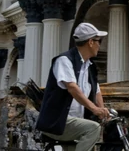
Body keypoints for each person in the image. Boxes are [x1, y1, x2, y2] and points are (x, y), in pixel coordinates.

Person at [36, 22, 110, 151]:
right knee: (93, 128)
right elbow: (72, 88)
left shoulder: (90, 66)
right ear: (91, 42)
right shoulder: (65, 60)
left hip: (75, 122)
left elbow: (96, 91)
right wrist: (94, 109)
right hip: (58, 120)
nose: (100, 45)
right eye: (100, 41)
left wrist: (102, 111)